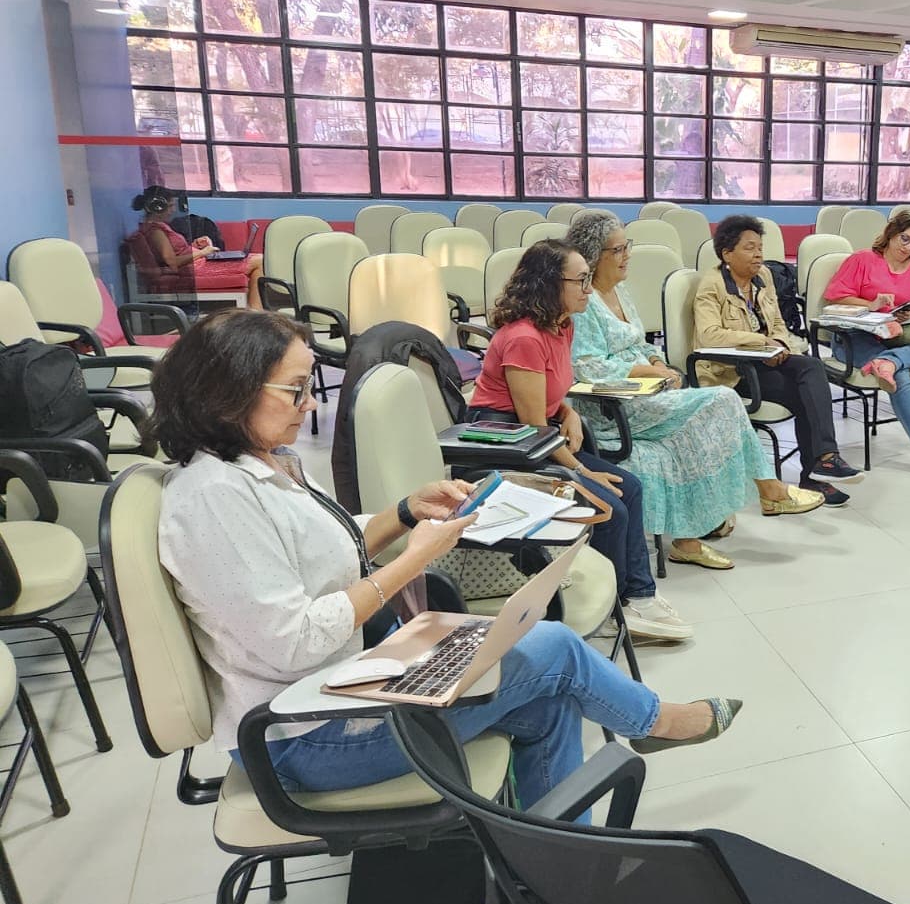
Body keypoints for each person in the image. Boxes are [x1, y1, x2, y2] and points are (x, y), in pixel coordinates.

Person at [151, 310, 738, 812]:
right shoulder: (214, 500)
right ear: (227, 392)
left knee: (551, 696)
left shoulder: (263, 465)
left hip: (346, 686)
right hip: (305, 738)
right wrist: (413, 561)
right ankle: (657, 723)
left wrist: (406, 513)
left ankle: (552, 870)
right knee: (553, 648)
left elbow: (321, 551)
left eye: (309, 387)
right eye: (295, 390)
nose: (309, 405)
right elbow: (291, 642)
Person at [566, 211, 823, 570]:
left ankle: (690, 538)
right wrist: (649, 371)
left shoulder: (620, 291)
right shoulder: (583, 301)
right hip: (612, 404)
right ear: (595, 255)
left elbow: (639, 342)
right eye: (620, 249)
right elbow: (587, 366)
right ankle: (770, 490)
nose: (628, 255)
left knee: (692, 431)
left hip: (646, 392)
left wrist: (656, 360)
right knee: (721, 399)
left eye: (628, 246)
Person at [470, 240, 689, 642]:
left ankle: (637, 596)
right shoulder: (524, 338)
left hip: (541, 432)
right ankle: (610, 614)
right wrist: (584, 471)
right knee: (610, 508)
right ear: (549, 285)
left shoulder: (561, 325)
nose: (590, 290)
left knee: (631, 488)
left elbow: (557, 393)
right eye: (581, 281)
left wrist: (569, 412)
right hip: (509, 443)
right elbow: (532, 427)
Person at [694, 215, 864, 506]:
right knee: (803, 395)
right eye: (749, 248)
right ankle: (815, 475)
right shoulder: (712, 285)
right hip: (732, 371)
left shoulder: (763, 278)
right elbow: (710, 335)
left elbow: (777, 326)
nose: (759, 254)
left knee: (811, 366)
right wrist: (762, 343)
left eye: (760, 247)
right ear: (726, 254)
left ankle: (825, 459)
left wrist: (780, 347)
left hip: (765, 360)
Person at [823, 210, 910, 482]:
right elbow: (834, 297)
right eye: (904, 239)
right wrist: (870, 306)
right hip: (856, 337)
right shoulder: (862, 260)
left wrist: (908, 315)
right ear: (891, 234)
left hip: (895, 334)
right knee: (900, 374)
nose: (908, 248)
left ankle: (891, 360)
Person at [132, 186, 263, 308]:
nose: (173, 210)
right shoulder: (155, 231)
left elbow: (175, 252)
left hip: (197, 263)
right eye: (171, 206)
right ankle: (256, 311)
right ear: (158, 208)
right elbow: (172, 262)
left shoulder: (158, 227)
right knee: (259, 260)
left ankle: (255, 309)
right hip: (195, 269)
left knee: (257, 259)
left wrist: (194, 245)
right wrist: (203, 252)